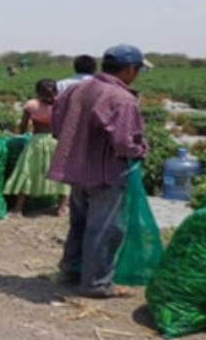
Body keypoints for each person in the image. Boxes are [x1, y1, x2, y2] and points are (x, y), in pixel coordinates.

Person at [48, 44, 151, 299]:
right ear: (128, 69)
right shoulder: (122, 99)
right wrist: (142, 150)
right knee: (105, 229)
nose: (137, 74)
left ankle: (71, 271)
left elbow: (57, 128)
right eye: (137, 69)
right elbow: (124, 144)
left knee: (79, 224)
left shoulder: (75, 89)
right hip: (106, 174)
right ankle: (96, 283)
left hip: (75, 169)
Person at [6, 78, 68, 216]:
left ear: (38, 91)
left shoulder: (31, 105)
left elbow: (22, 127)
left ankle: (18, 208)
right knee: (60, 172)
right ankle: (62, 207)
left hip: (37, 141)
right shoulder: (62, 104)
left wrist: (20, 132)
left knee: (27, 171)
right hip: (56, 141)